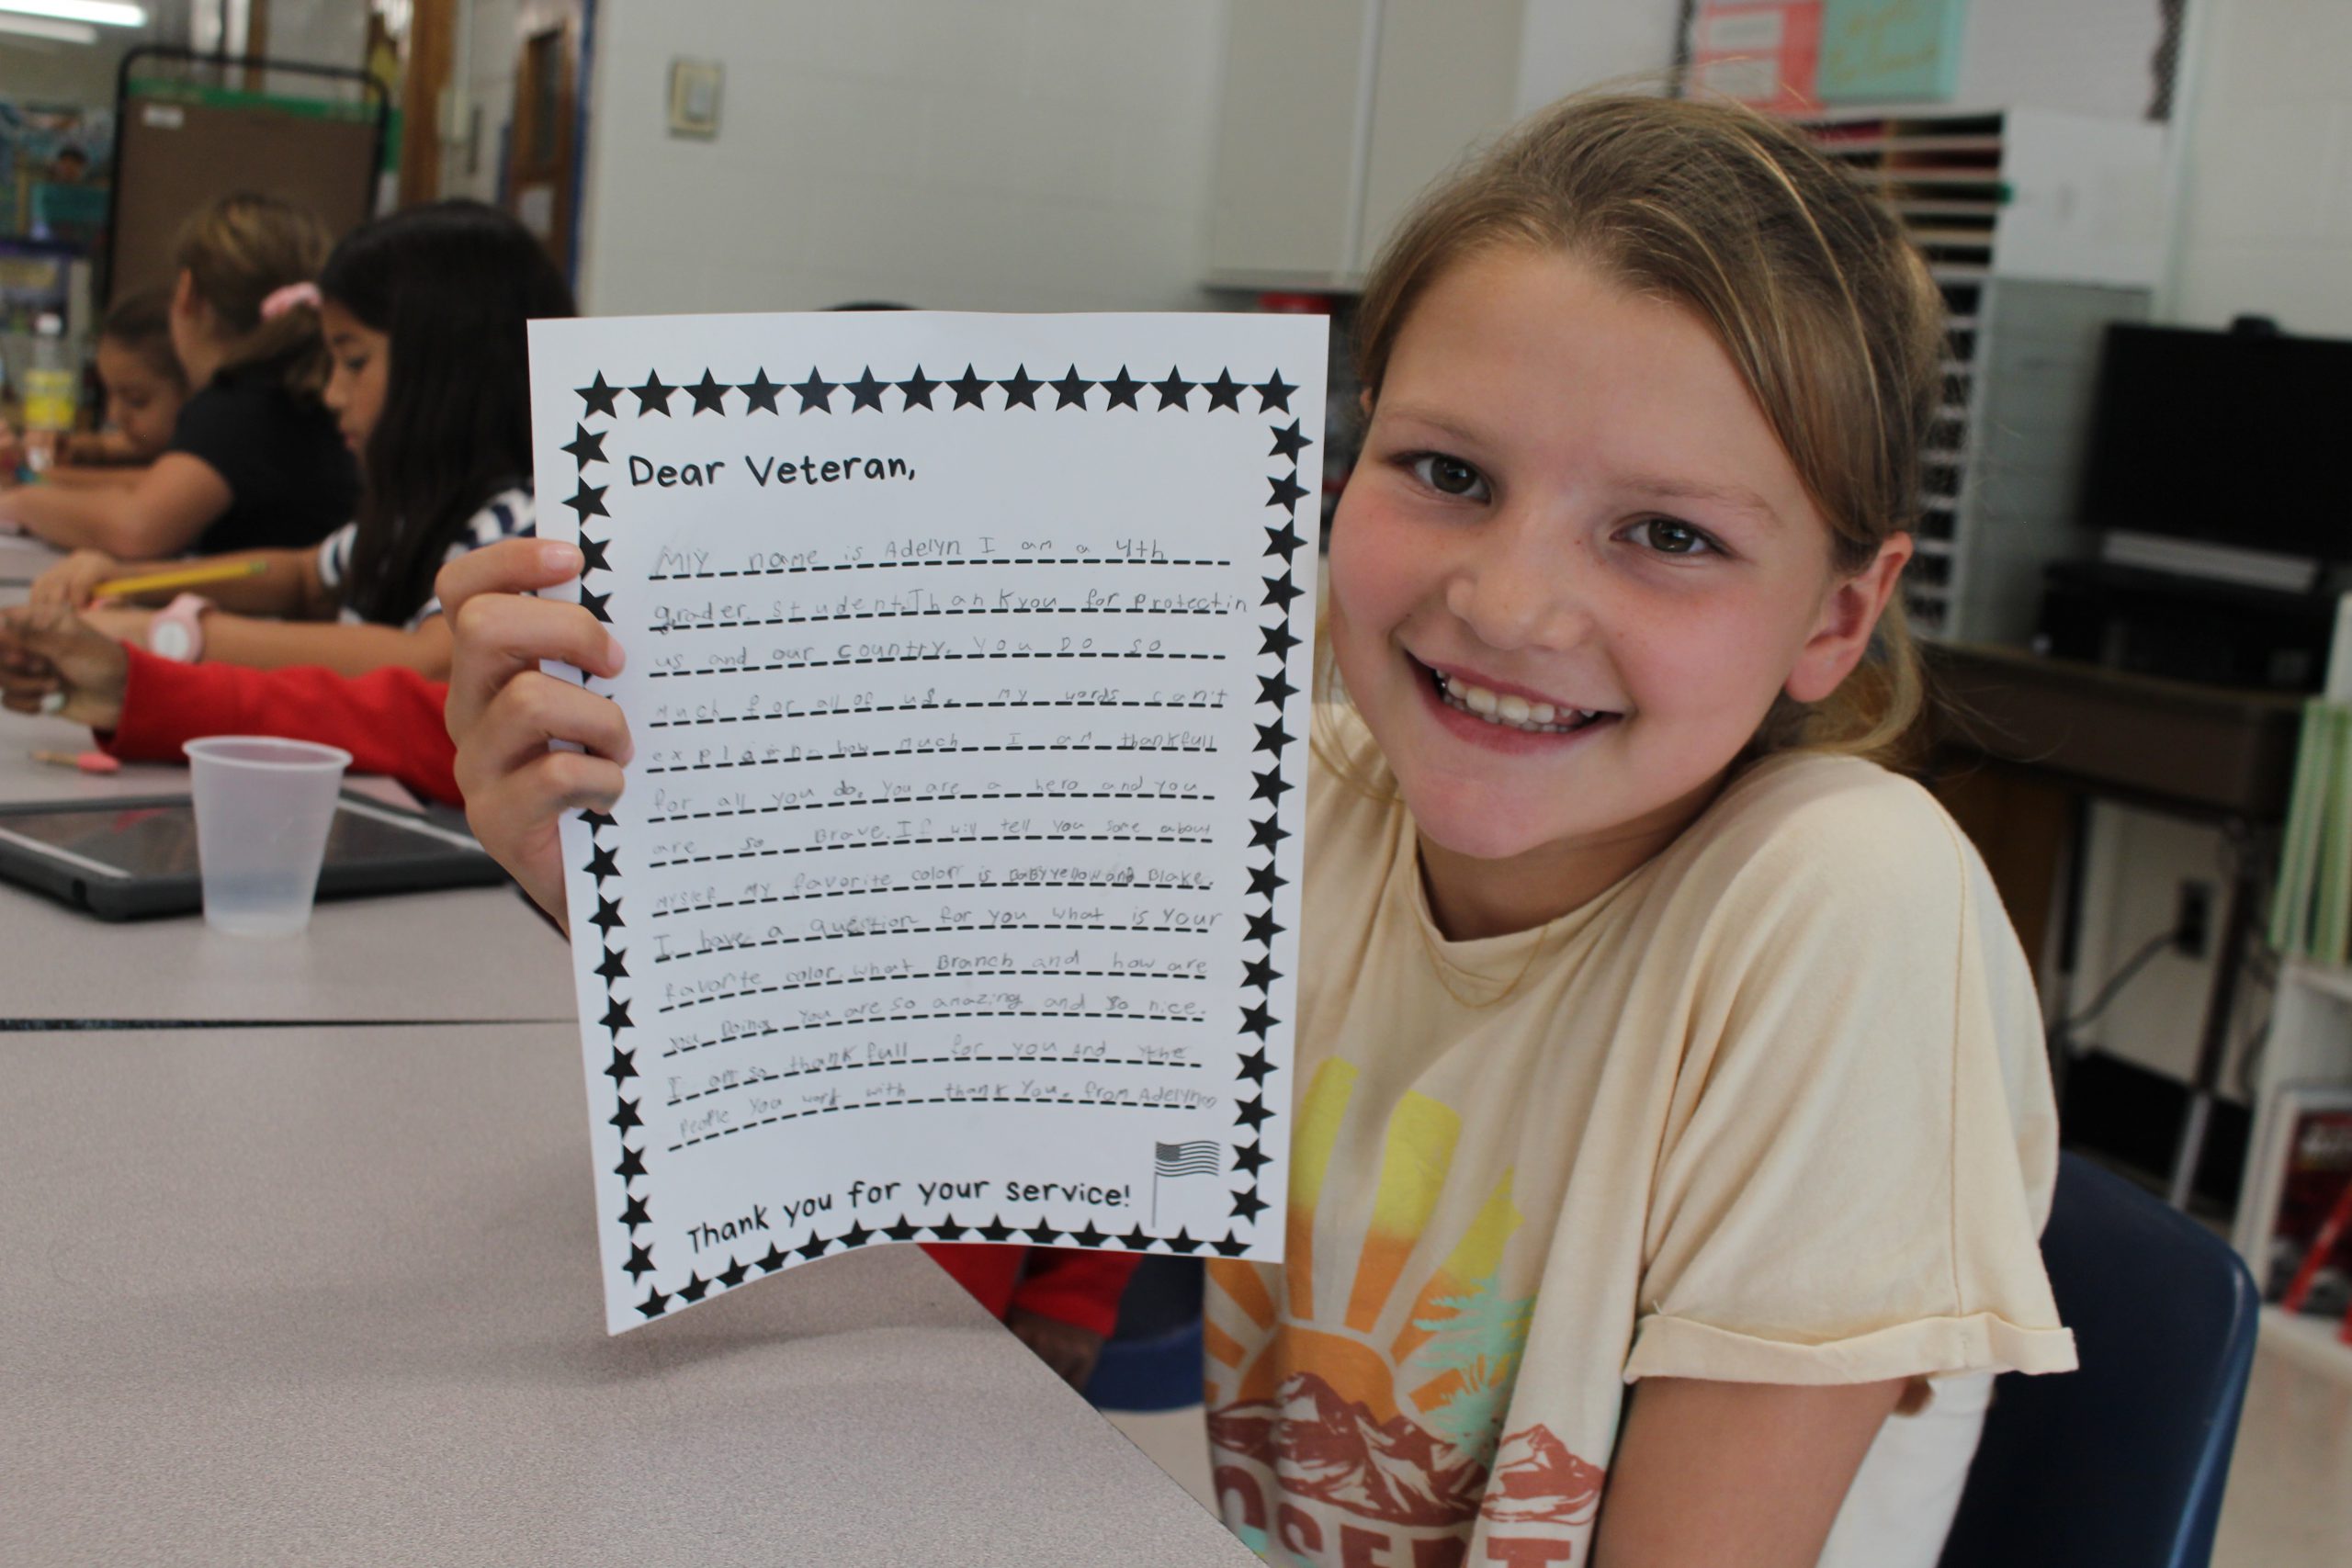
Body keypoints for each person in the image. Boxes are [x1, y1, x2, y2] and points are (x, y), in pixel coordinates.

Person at [433, 92, 2078, 1566]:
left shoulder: (1847, 897)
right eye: (1445, 469)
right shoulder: (1303, 797)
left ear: (1838, 614)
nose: (1506, 600)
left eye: (1665, 533)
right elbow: (896, 1087)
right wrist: (617, 867)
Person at [0, 578, 1139, 1390]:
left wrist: (1077, 1299)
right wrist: (142, 686)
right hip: (672, 1319)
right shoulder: (654, 691)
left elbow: (1126, 1023)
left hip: (928, 1352)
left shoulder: (1044, 789)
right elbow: (401, 718)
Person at [31, 200, 571, 681]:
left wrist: (177, 635)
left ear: (453, 370)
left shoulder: (524, 527)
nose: (333, 394)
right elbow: (302, 576)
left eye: (354, 362)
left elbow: (427, 661)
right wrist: (127, 583)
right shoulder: (417, 510)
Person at [0, 193, 357, 556]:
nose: (114, 414)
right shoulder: (290, 391)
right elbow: (148, 488)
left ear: (187, 293)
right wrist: (33, 481)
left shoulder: (242, 405)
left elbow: (136, 528)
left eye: (135, 398)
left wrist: (18, 503)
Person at [0, 288, 191, 483]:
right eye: (108, 393)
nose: (113, 415)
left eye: (136, 401)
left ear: (194, 392)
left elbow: (148, 489)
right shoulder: (155, 439)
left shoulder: (203, 465)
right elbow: (129, 442)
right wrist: (70, 447)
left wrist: (26, 475)